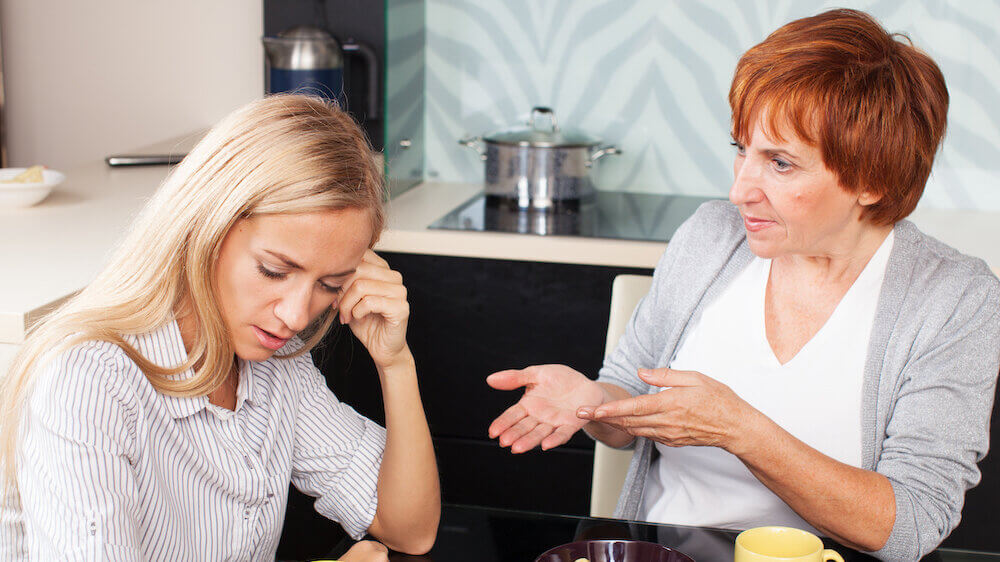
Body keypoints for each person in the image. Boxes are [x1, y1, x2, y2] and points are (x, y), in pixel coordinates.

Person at [487, 9, 1000, 561]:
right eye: (741, 149)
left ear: (872, 179)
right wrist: (595, 402)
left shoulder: (954, 299)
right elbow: (628, 398)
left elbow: (912, 525)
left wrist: (741, 431)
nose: (739, 191)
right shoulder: (709, 237)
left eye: (780, 163)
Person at [0, 94, 440, 561]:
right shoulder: (87, 380)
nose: (296, 315)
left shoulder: (276, 365)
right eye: (273, 271)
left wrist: (395, 362)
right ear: (206, 226)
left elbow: (409, 528)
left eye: (329, 285)